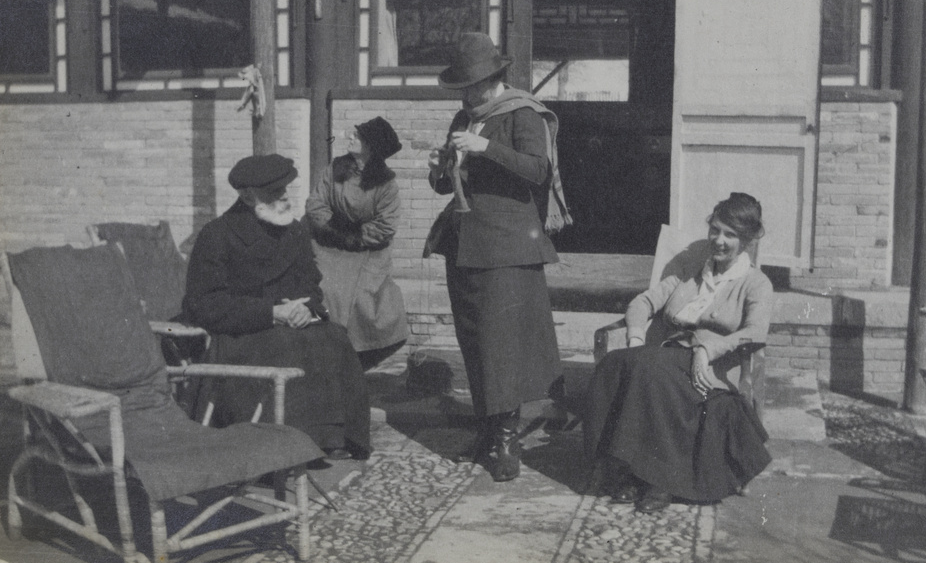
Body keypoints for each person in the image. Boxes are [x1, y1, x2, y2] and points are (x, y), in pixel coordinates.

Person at [425, 32, 562, 482]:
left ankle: (506, 436)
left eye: (473, 86)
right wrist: (441, 168)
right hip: (465, 244)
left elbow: (538, 170)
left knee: (502, 344)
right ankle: (488, 428)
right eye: (462, 88)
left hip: (506, 244)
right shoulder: (463, 118)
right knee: (475, 340)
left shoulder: (522, 112)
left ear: (495, 78)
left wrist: (486, 148)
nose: (467, 95)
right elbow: (446, 187)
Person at [584, 192, 774, 513]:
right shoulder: (692, 263)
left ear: (746, 240)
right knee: (617, 364)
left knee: (652, 372)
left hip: (709, 371)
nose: (719, 240)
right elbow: (644, 302)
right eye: (715, 230)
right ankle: (624, 469)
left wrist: (707, 349)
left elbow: (756, 331)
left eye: (730, 235)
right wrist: (634, 338)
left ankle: (661, 481)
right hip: (664, 354)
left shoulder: (755, 283)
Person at [181, 153, 371, 463]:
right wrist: (271, 313)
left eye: (284, 190)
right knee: (283, 344)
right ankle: (280, 448)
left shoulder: (293, 231)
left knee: (333, 337)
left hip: (289, 324)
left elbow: (311, 284)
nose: (283, 197)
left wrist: (305, 308)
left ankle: (331, 436)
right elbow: (206, 304)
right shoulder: (217, 235)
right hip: (239, 333)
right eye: (273, 192)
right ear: (246, 195)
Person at [305, 116, 409, 371]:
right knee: (325, 288)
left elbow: (386, 225)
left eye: (357, 136)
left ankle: (355, 358)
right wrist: (334, 231)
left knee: (366, 299)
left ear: (371, 147)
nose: (350, 138)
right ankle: (324, 355)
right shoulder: (335, 169)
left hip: (367, 250)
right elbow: (315, 204)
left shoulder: (386, 184)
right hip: (328, 242)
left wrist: (356, 237)